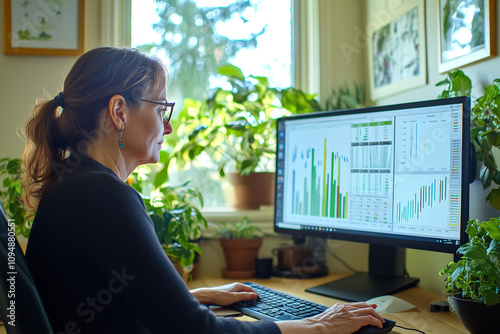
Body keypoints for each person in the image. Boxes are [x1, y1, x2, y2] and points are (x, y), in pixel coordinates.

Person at [22, 46, 384, 333]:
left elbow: (105, 309)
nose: (168, 127)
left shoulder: (75, 184)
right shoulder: (104, 197)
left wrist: (192, 296)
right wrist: (319, 325)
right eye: (161, 108)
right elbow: (195, 331)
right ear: (119, 111)